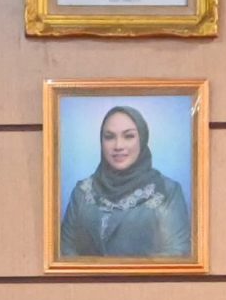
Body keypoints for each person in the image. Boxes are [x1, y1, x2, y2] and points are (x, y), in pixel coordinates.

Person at [58, 104, 192, 261]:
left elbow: (177, 253)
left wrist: (124, 274)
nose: (118, 146)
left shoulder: (168, 192)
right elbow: (65, 251)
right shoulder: (82, 192)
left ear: (142, 139)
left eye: (128, 136)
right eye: (109, 137)